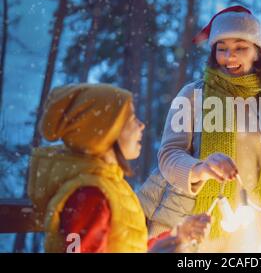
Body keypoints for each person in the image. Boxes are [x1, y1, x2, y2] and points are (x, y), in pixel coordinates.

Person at [138, 6, 261, 252]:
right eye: (222, 49)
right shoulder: (193, 94)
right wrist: (200, 169)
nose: (229, 57)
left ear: (258, 53)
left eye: (240, 48)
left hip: (251, 231)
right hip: (196, 223)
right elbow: (169, 155)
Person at [28, 84, 210, 252]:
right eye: (131, 118)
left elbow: (127, 246)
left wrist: (176, 236)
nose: (141, 125)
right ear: (104, 131)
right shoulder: (91, 195)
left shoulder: (110, 185)